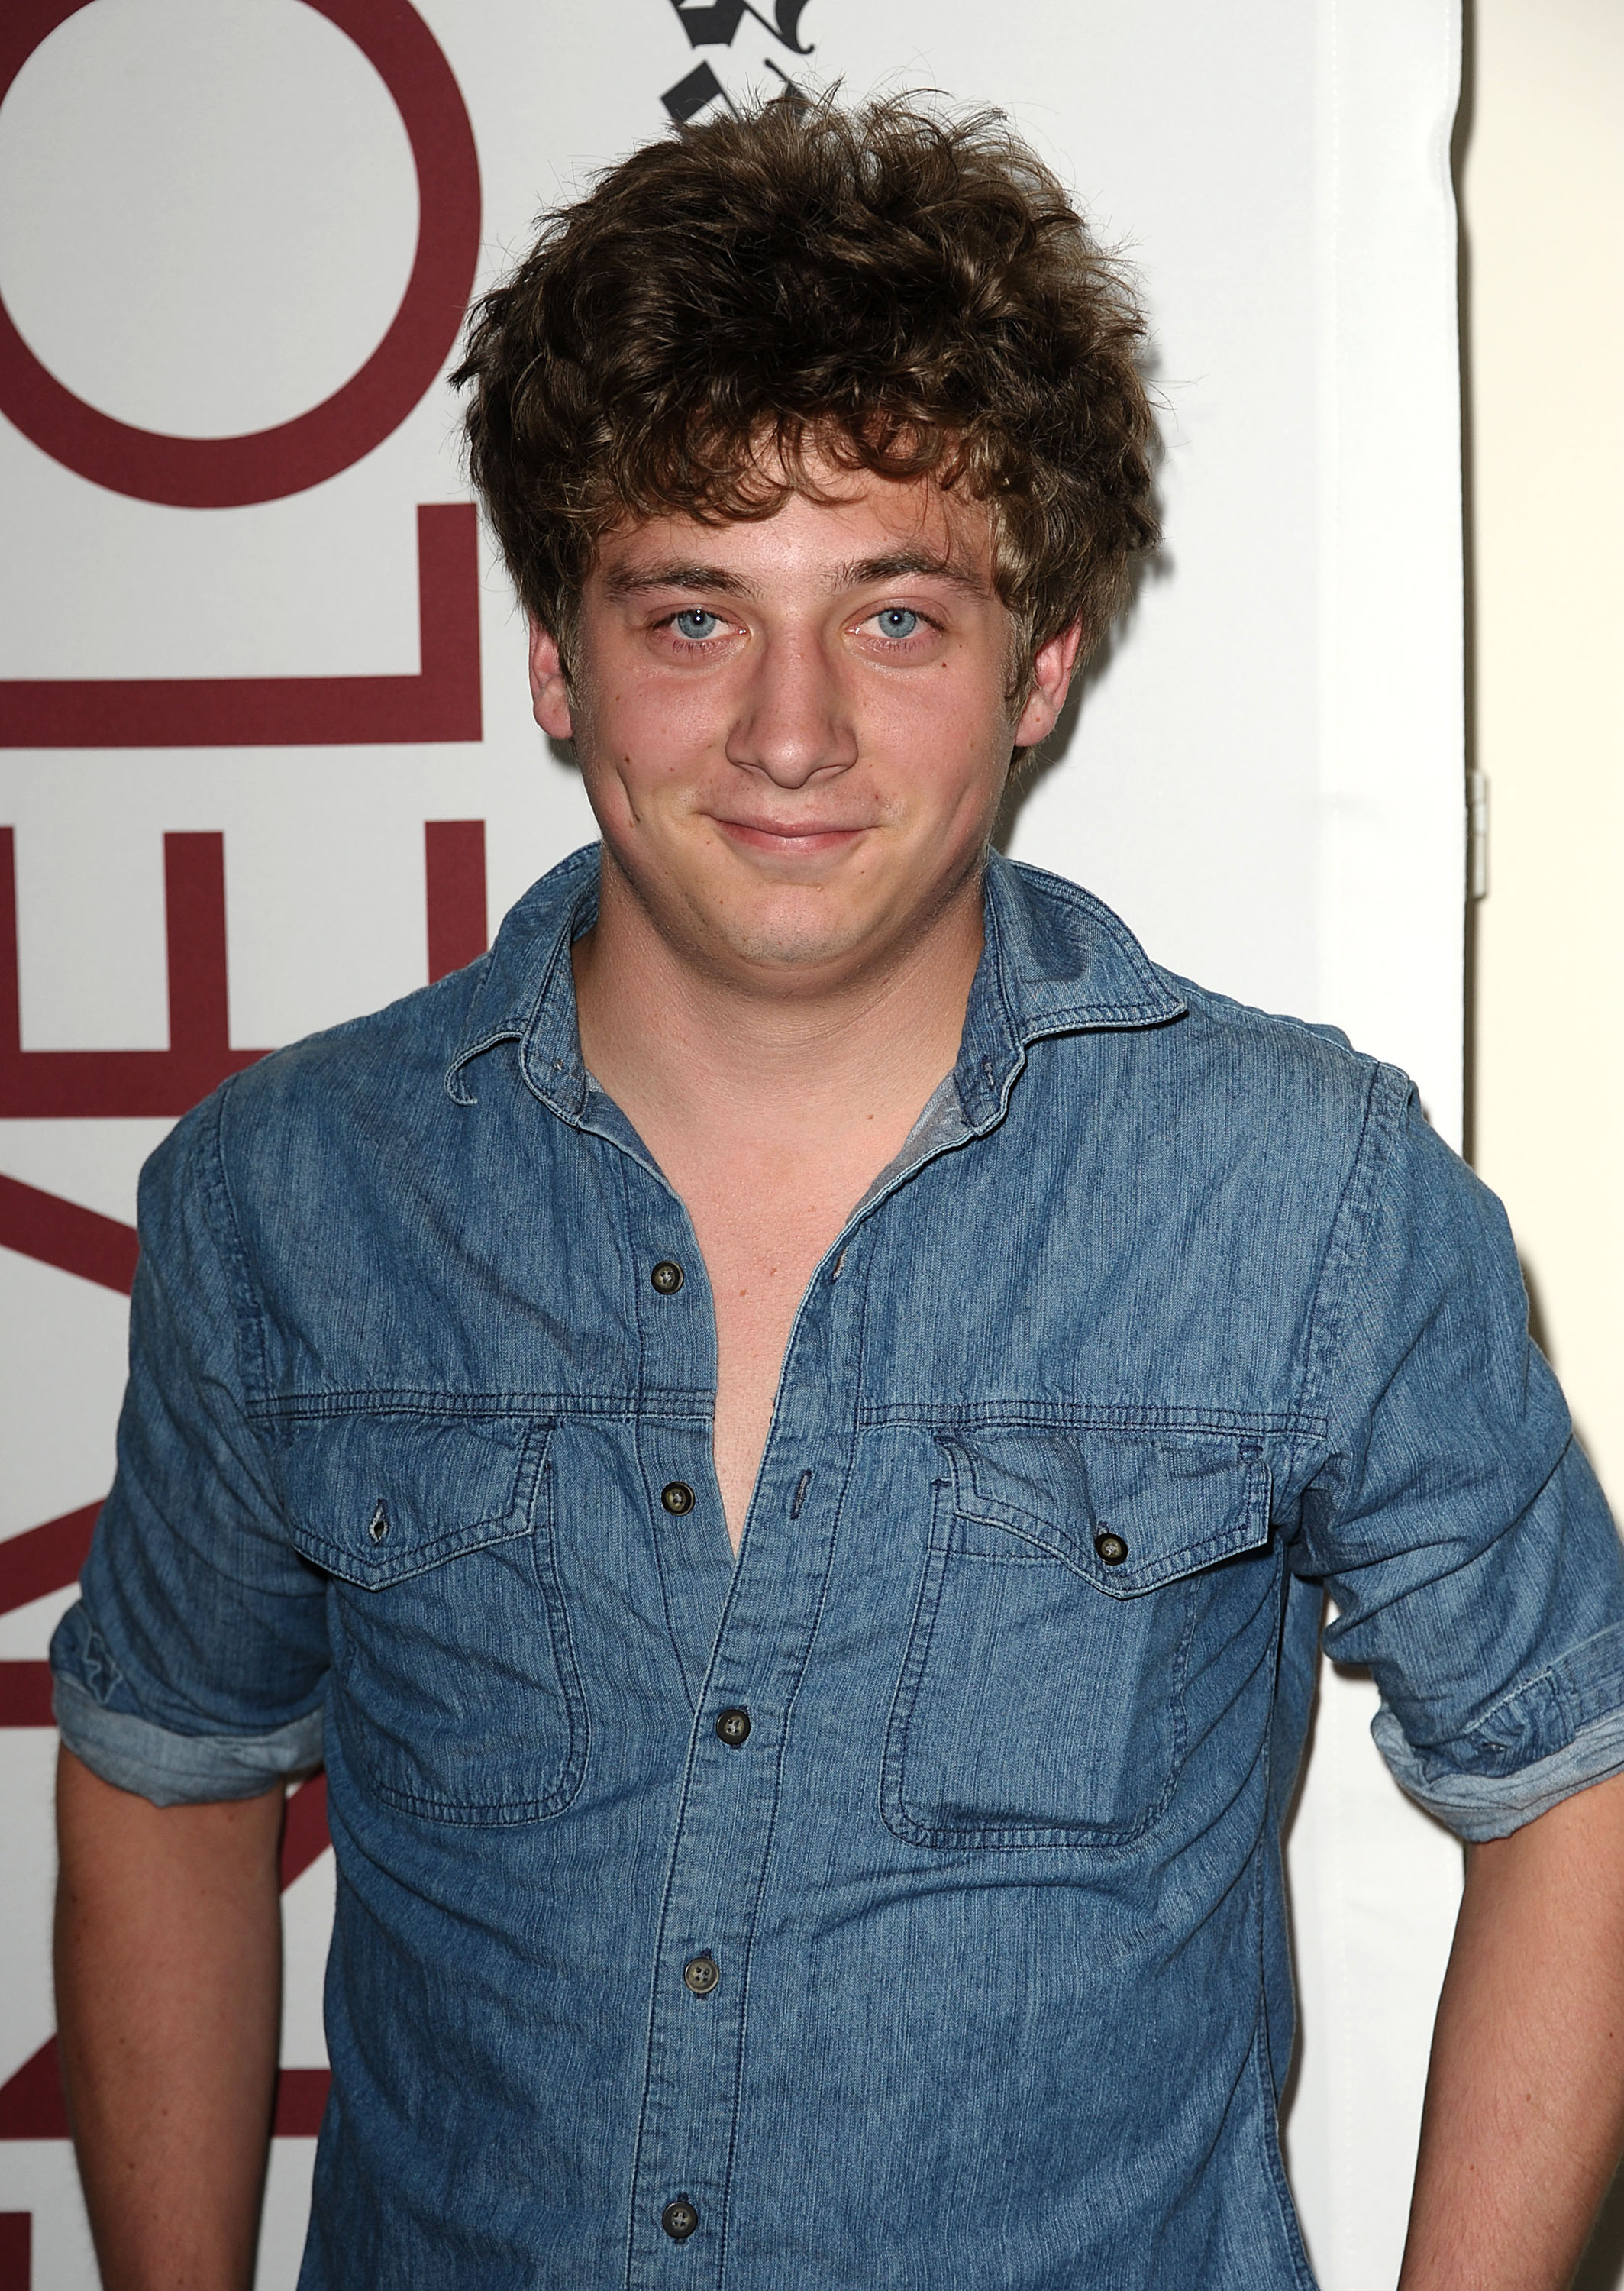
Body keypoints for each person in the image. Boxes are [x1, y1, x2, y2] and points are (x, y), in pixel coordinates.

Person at [49, 92, 1624, 2291]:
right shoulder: (287, 1200)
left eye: (894, 619)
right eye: (694, 616)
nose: (790, 732)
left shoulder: (1307, 1193)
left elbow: (1579, 1772)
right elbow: (164, 1766)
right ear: (557, 660)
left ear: (1040, 664)